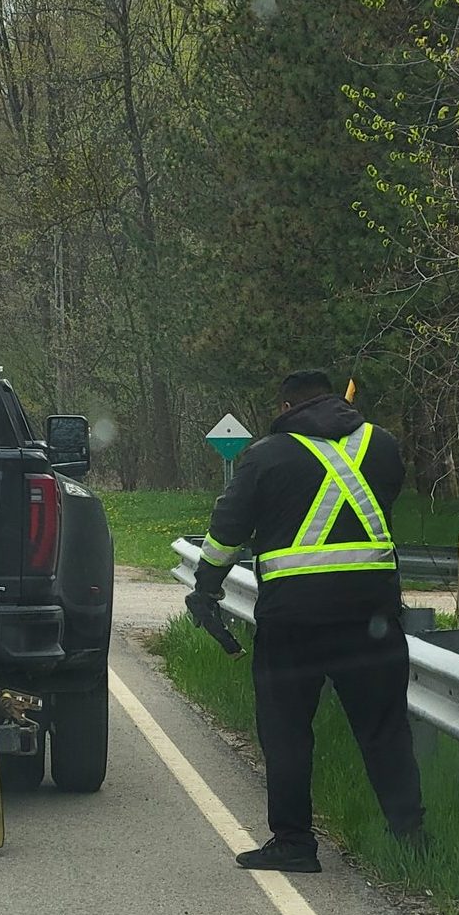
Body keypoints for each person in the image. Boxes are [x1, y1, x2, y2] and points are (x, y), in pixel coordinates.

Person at [188, 369, 426, 873]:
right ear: (337, 400)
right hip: (372, 616)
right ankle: (410, 839)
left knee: (287, 731)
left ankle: (294, 844)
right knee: (384, 728)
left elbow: (227, 531)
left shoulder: (266, 456)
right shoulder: (381, 446)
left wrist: (206, 589)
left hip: (293, 622)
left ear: (285, 407)